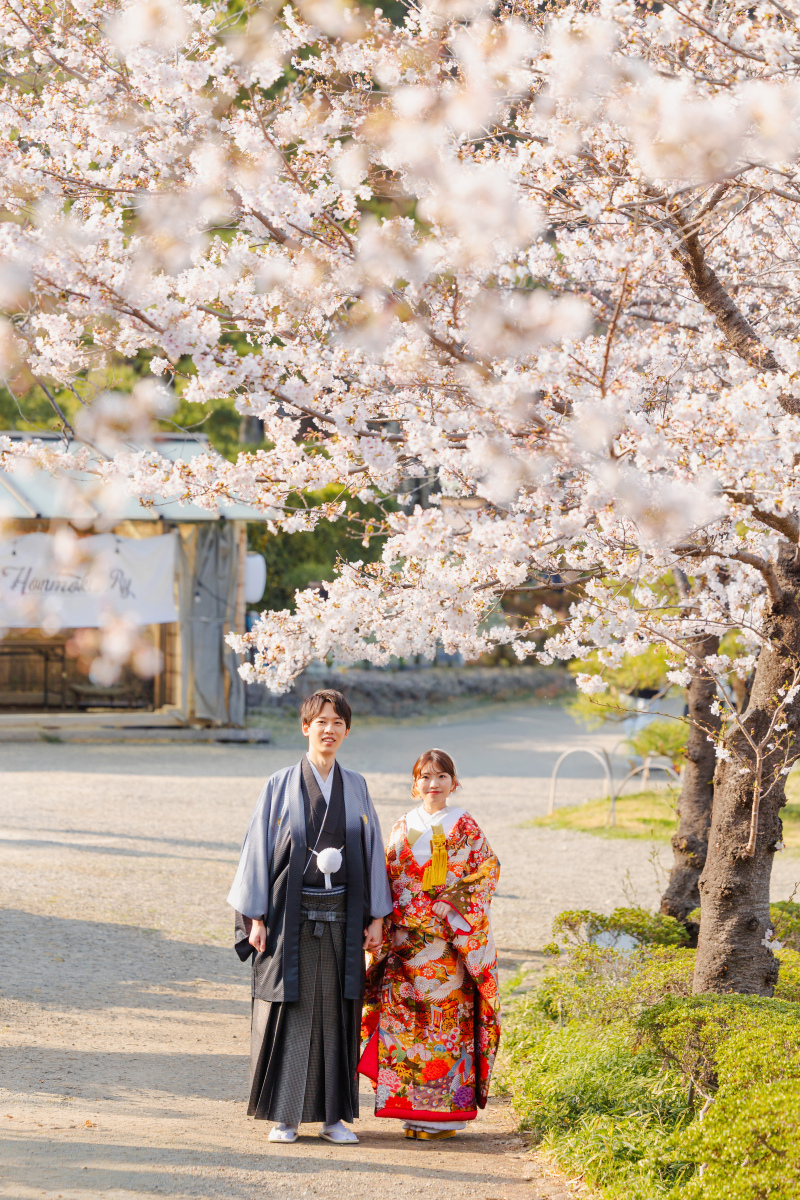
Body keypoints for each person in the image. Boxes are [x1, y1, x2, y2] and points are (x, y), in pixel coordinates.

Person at [228, 688, 392, 1145]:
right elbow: (257, 850)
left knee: (340, 1013)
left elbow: (373, 849)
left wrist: (377, 915)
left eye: (338, 723)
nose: (329, 730)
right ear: (305, 727)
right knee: (293, 1011)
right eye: (321, 722)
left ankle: (334, 1118)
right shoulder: (280, 784)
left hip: (341, 915)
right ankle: (286, 1116)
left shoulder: (355, 785)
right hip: (290, 916)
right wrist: (255, 916)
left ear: (346, 730)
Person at [360, 748, 501, 1140]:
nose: (433, 784)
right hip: (404, 942)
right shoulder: (402, 825)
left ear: (454, 784)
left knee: (445, 1029)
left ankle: (447, 1118)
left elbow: (488, 870)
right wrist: (378, 920)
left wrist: (453, 902)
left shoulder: (465, 824)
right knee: (406, 1027)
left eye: (441, 777)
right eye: (425, 777)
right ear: (414, 784)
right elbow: (385, 875)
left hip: (446, 944)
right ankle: (411, 1112)